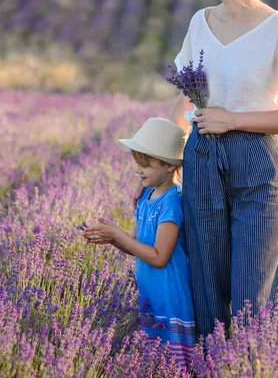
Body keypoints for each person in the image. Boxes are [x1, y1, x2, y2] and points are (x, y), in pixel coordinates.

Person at [136, 0, 278, 338]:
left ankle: (260, 364)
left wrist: (233, 119)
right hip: (201, 158)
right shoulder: (200, 23)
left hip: (257, 162)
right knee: (207, 286)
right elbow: (185, 97)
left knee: (255, 293)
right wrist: (158, 161)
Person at [83, 117, 195, 369]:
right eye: (137, 163)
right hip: (150, 290)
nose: (138, 170)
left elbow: (159, 256)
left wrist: (119, 235)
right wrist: (111, 239)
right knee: (154, 359)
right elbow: (139, 247)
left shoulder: (171, 202)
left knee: (175, 364)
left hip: (170, 292)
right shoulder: (146, 195)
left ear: (168, 165)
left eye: (146, 164)